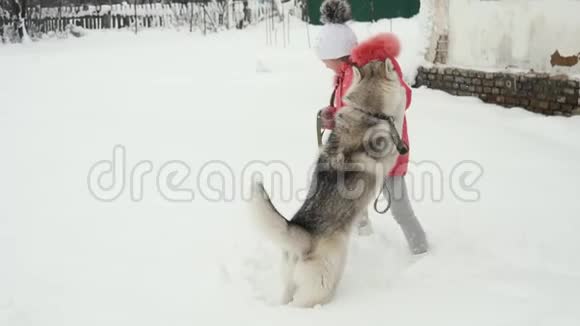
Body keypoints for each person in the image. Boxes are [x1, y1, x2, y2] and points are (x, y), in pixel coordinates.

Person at [314, 0, 428, 254]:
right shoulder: (345, 74)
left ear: (337, 55)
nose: (324, 65)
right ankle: (366, 244)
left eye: (325, 59)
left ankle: (422, 252)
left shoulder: (374, 70)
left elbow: (402, 98)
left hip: (385, 150)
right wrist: (334, 115)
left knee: (399, 208)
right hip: (358, 153)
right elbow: (351, 110)